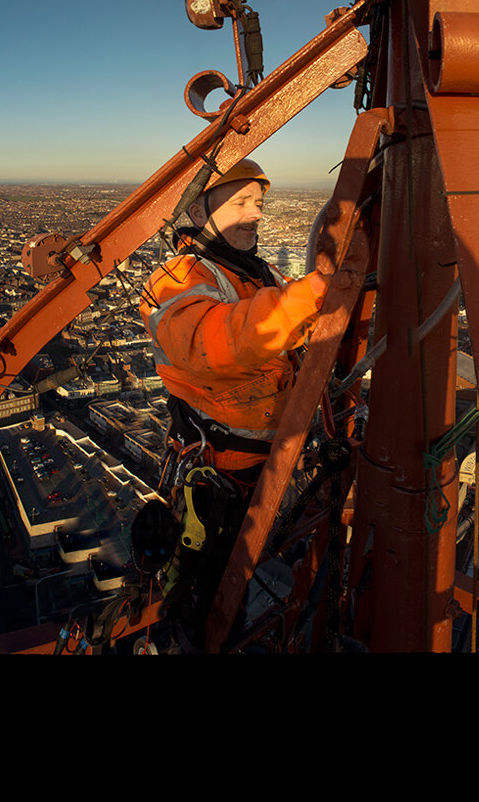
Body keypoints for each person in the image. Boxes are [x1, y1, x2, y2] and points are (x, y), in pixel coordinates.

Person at [138, 158, 343, 648]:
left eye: (259, 203)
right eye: (240, 203)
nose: (254, 214)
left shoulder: (255, 271)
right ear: (196, 211)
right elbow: (218, 343)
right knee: (209, 607)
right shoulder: (175, 279)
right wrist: (312, 292)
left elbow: (288, 335)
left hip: (269, 459)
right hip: (221, 474)